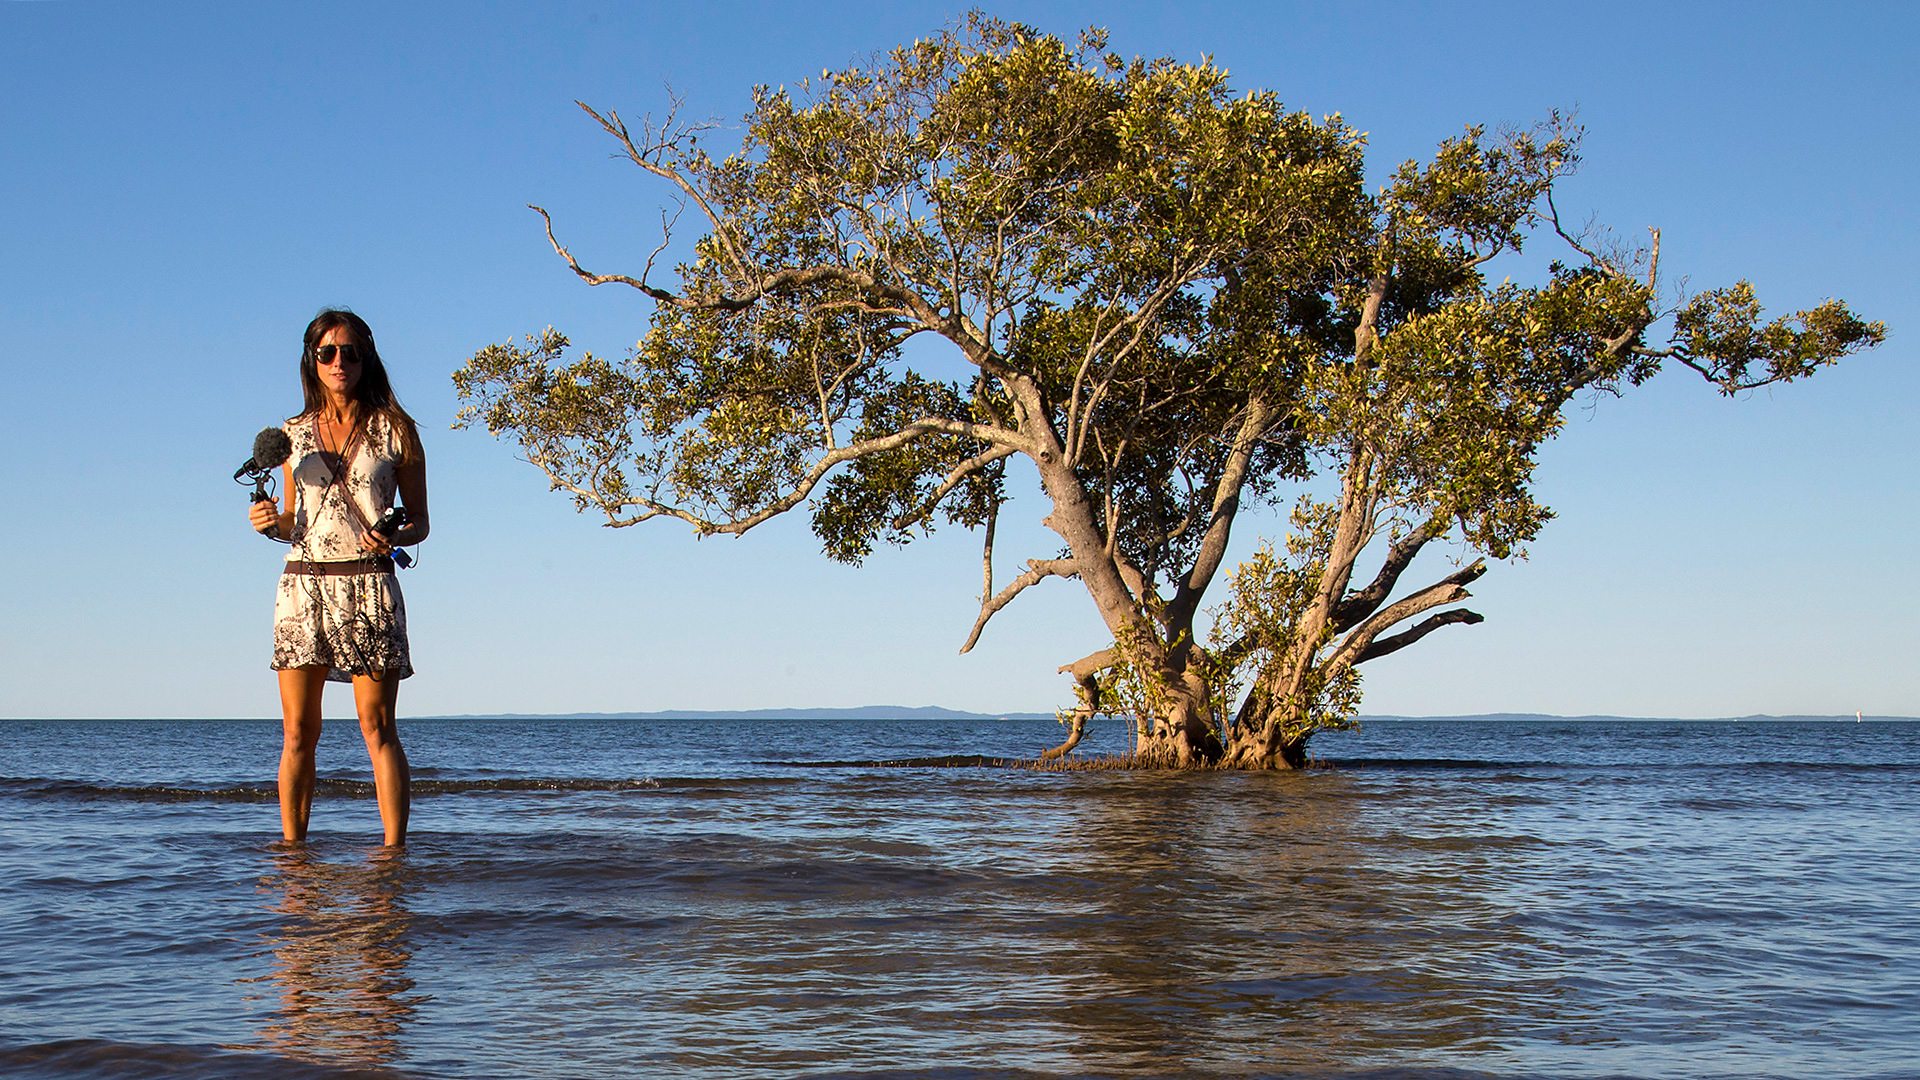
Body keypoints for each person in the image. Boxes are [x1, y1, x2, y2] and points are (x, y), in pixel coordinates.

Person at [247, 310, 429, 847]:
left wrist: (395, 535)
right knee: (299, 733)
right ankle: (293, 856)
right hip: (302, 587)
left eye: (350, 351)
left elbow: (420, 521)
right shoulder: (292, 433)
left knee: (378, 728)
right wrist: (268, 523)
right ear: (312, 360)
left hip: (371, 585)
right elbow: (292, 520)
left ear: (366, 356)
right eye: (327, 352)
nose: (339, 362)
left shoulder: (397, 429)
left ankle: (395, 857)